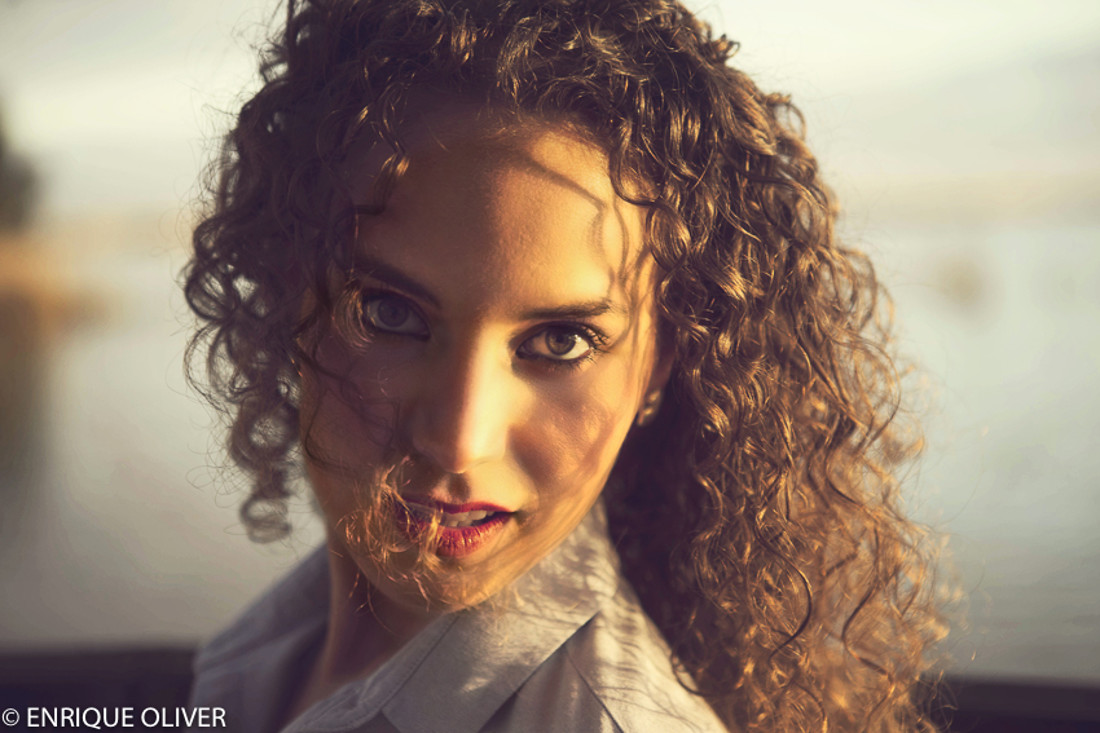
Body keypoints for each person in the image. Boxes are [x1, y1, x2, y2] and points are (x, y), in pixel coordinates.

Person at [184, 0, 947, 730]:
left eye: (560, 342)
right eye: (390, 314)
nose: (459, 441)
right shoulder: (265, 654)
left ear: (659, 365)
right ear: (287, 291)